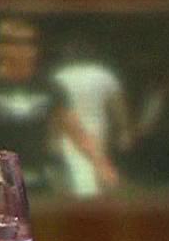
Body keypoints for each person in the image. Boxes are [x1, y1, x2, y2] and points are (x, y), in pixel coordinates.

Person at [0, 17, 120, 196]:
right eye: (9, 42)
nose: (19, 49)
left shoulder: (49, 88)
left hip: (36, 180)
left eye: (26, 43)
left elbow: (78, 134)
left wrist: (102, 165)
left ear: (35, 48)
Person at [50, 37, 133, 197]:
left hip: (67, 130)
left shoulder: (59, 77)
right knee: (95, 167)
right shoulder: (104, 75)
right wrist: (124, 130)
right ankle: (92, 201)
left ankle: (89, 202)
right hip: (98, 126)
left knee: (80, 169)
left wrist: (52, 137)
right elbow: (118, 104)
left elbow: (54, 113)